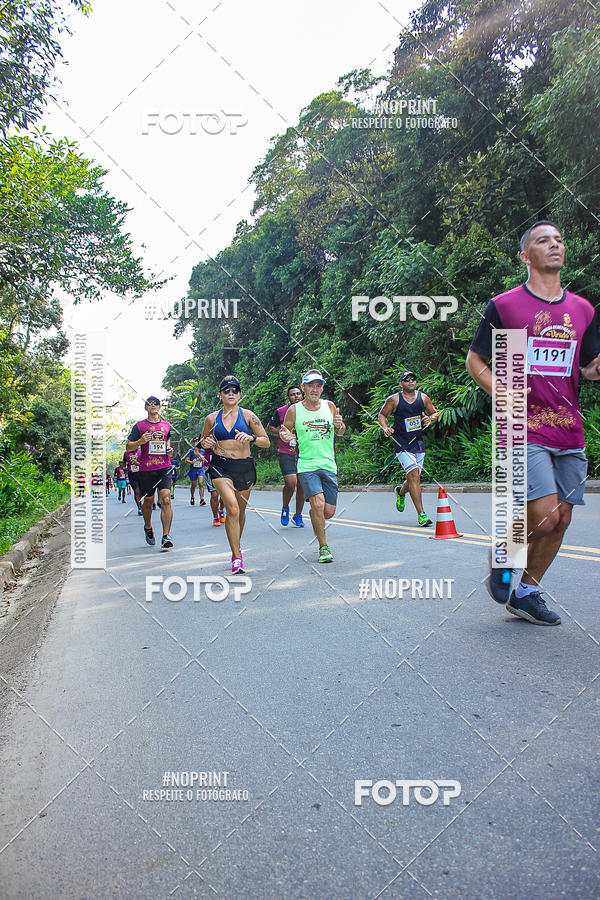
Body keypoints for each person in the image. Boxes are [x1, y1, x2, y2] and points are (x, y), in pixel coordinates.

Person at [466, 220, 600, 625]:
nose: (555, 245)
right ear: (526, 256)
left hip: (568, 428)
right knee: (543, 512)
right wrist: (502, 391)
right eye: (544, 240)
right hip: (523, 426)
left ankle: (526, 590)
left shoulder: (582, 309)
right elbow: (476, 362)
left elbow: (589, 368)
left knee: (562, 518)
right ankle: (504, 556)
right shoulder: (506, 306)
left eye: (559, 239)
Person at [200, 375, 269, 573]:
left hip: (244, 468)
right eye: (226, 390)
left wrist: (252, 437)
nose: (231, 394)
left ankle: (235, 548)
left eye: (235, 390)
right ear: (220, 394)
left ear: (240, 394)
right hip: (221, 466)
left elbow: (266, 441)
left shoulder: (248, 416)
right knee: (232, 510)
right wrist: (205, 443)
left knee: (240, 511)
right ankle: (237, 558)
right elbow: (203, 441)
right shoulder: (211, 418)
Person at [280, 369, 346, 563]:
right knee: (317, 502)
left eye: (318, 385)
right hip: (307, 465)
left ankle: (315, 515)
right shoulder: (294, 410)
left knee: (328, 512)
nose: (315, 389)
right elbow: (287, 434)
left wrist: (340, 425)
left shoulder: (330, 406)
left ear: (322, 388)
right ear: (303, 387)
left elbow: (340, 432)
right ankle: (323, 547)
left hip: (328, 464)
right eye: (311, 385)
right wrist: (288, 438)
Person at [378, 371, 438, 527]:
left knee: (413, 477)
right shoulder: (394, 400)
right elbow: (382, 415)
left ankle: (401, 491)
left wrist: (430, 418)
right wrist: (385, 428)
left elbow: (435, 413)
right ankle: (422, 514)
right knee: (414, 475)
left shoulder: (423, 398)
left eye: (413, 379)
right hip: (401, 443)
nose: (411, 381)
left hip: (418, 442)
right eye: (407, 379)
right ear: (401, 384)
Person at [126, 396, 175, 550]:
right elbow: (128, 446)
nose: (153, 406)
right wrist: (140, 441)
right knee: (149, 501)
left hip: (164, 467)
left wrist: (170, 450)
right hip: (147, 469)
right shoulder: (139, 426)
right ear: (146, 408)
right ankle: (148, 527)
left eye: (156, 404)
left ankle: (166, 535)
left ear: (160, 407)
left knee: (166, 499)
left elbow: (168, 443)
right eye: (150, 404)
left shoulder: (166, 425)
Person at [267, 385, 305, 526]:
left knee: (302, 485)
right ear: (288, 397)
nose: (296, 396)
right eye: (292, 394)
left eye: (298, 394)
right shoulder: (281, 411)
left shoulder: (308, 410)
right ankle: (285, 507)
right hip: (286, 452)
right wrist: (282, 434)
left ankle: (298, 515)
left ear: (302, 395)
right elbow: (270, 427)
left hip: (304, 452)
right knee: (291, 483)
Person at [203, 447, 226, 526]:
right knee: (214, 494)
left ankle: (221, 510)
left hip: (223, 467)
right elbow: (197, 450)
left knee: (224, 493)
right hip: (208, 467)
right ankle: (215, 517)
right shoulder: (204, 436)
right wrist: (199, 455)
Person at [185, 438, 207, 506]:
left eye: (198, 441)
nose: (196, 442)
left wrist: (202, 459)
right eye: (195, 441)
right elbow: (186, 460)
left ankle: (202, 499)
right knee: (193, 485)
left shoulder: (203, 451)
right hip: (193, 470)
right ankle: (192, 496)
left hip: (200, 469)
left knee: (200, 483)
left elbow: (206, 459)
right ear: (193, 443)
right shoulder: (191, 451)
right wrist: (192, 462)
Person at [123, 448, 142, 515]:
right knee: (137, 491)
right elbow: (124, 463)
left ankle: (144, 505)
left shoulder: (141, 451)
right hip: (132, 474)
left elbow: (145, 461)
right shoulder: (126, 453)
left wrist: (139, 464)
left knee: (142, 492)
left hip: (141, 473)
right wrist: (124, 468)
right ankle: (140, 508)